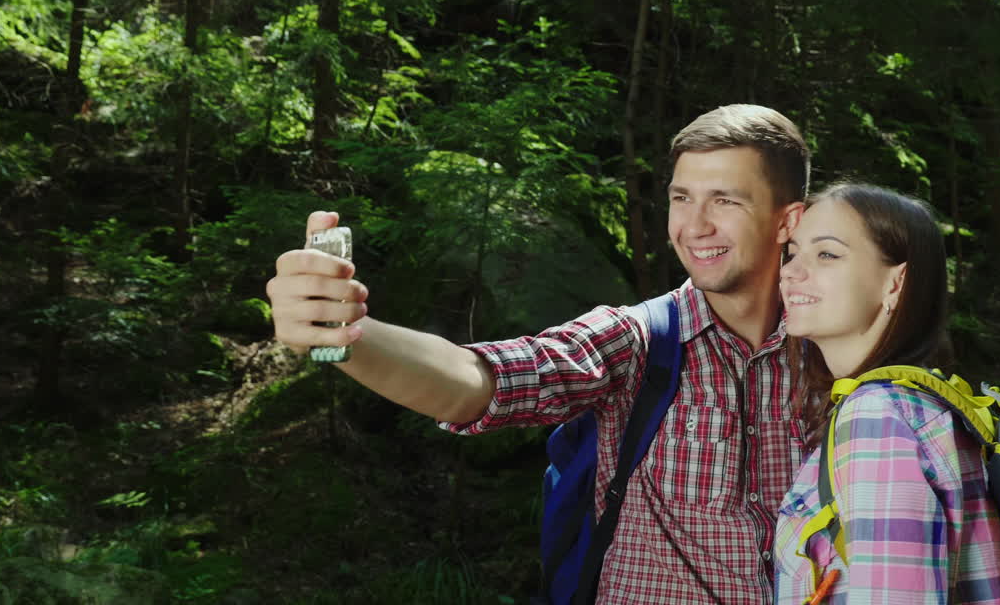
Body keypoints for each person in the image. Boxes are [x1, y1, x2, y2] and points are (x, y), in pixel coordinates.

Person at [266, 104, 811, 604]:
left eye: (725, 201)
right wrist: (346, 333)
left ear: (787, 222)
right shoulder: (639, 342)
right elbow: (480, 382)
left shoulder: (841, 352)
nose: (694, 227)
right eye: (681, 198)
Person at [773, 182, 1000, 604]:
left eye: (826, 254)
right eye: (791, 252)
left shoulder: (876, 415)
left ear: (896, 284)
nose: (790, 271)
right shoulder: (920, 403)